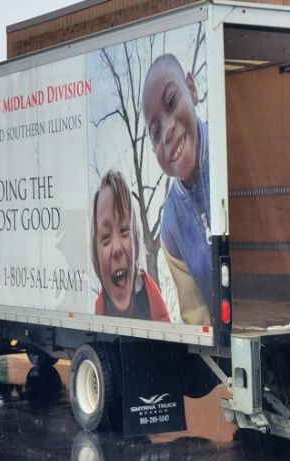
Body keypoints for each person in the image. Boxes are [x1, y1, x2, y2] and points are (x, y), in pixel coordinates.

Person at [142, 53, 211, 326]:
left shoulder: (230, 154)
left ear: (191, 89)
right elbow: (197, 316)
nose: (167, 131)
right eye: (156, 133)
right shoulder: (171, 225)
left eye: (171, 102)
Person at [91, 170, 171, 321]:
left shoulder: (154, 303)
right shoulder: (98, 312)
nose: (116, 248)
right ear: (96, 257)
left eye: (124, 230)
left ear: (135, 240)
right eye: (106, 237)